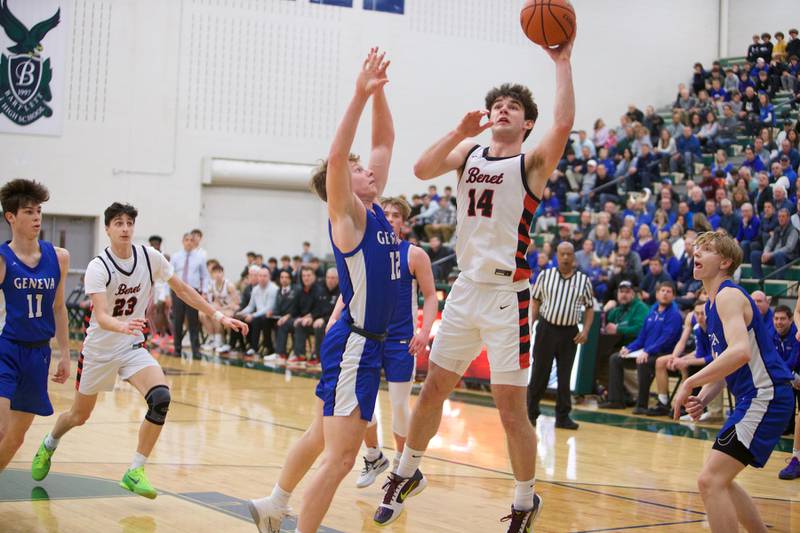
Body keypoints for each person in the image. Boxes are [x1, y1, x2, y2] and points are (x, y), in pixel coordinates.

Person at [372, 35, 575, 531]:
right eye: (496, 106)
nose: (502, 110)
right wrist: (457, 130)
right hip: (466, 289)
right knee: (432, 388)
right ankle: (406, 472)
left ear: (527, 122)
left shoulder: (530, 163)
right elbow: (420, 170)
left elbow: (564, 123)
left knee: (510, 411)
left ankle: (525, 501)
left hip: (508, 295)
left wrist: (563, 62)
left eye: (513, 107)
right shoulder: (469, 152)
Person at [247, 48, 399, 533]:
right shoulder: (349, 216)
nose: (369, 170)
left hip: (358, 342)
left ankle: (275, 503)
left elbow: (386, 140)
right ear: (342, 185)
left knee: (320, 435)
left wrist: (378, 93)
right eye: (358, 170)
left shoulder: (373, 208)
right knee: (340, 458)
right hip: (357, 343)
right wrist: (357, 93)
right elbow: (338, 156)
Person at [31, 202, 247, 497]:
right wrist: (120, 326)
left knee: (160, 398)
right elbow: (102, 314)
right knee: (79, 416)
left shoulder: (149, 257)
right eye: (118, 223)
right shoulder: (99, 267)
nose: (125, 228)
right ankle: (49, 443)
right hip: (100, 348)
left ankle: (135, 469)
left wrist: (218, 315)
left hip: (132, 345)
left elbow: (182, 289)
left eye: (129, 223)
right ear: (107, 229)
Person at [672, 231, 793, 532]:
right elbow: (729, 365)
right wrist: (706, 396)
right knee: (719, 480)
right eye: (697, 248)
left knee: (710, 480)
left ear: (725, 261)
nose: (697, 253)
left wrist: (689, 384)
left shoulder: (728, 295)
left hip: (766, 395)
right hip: (756, 397)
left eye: (707, 249)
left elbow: (739, 353)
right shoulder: (712, 303)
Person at [343, 196, 437, 489]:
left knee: (398, 405)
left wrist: (424, 332)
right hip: (368, 337)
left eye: (397, 214)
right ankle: (373, 456)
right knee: (361, 404)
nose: (392, 218)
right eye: (387, 213)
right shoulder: (368, 250)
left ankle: (402, 466)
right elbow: (349, 291)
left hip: (400, 340)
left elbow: (431, 295)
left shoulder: (415, 254)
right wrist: (336, 319)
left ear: (403, 222)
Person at [0, 180, 70, 474]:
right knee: (1, 429)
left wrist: (65, 353)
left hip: (38, 355)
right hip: (7, 350)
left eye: (39, 211)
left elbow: (58, 307)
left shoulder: (59, 257)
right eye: (29, 212)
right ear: (11, 217)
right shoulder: (3, 259)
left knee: (15, 439)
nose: (37, 218)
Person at [527, 242, 595, 429]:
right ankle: (530, 413)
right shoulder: (545, 275)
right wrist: (531, 324)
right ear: (556, 255)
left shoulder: (584, 280)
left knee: (564, 378)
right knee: (539, 373)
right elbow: (535, 301)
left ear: (574, 257)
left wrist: (586, 330)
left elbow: (590, 308)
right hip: (546, 329)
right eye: (562, 254)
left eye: (569, 254)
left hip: (569, 332)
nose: (565, 257)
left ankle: (563, 417)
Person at [601, 282, 682, 412]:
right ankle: (615, 400)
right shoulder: (652, 311)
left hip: (664, 353)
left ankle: (642, 404)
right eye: (662, 291)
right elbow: (642, 337)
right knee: (615, 358)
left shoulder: (674, 314)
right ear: (656, 294)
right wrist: (629, 348)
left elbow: (667, 339)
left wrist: (647, 351)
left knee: (643, 362)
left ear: (673, 296)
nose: (665, 294)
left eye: (668, 291)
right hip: (646, 351)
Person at [170, 233, 206, 359]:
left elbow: (204, 276)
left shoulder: (200, 258)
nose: (189, 242)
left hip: (193, 292)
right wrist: (165, 295)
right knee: (177, 321)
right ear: (183, 241)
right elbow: (168, 275)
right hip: (178, 291)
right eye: (187, 240)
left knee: (193, 322)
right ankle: (177, 349)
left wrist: (204, 292)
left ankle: (196, 350)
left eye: (191, 240)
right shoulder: (175, 257)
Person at [237, 266, 278, 358]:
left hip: (270, 316)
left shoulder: (273, 289)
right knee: (237, 318)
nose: (262, 278)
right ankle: (242, 345)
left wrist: (253, 315)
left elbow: (269, 308)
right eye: (260, 276)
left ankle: (259, 347)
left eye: (265, 276)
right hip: (258, 315)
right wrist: (241, 313)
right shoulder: (255, 289)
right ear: (258, 277)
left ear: (269, 277)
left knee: (257, 320)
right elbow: (251, 306)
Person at [199, 264, 239, 354]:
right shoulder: (212, 285)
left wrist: (222, 308)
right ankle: (212, 338)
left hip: (231, 308)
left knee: (216, 315)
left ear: (223, 273)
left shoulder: (229, 285)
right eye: (215, 272)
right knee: (202, 314)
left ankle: (220, 340)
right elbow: (216, 301)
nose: (218, 274)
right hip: (222, 308)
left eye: (220, 272)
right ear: (211, 274)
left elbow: (236, 302)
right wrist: (215, 305)